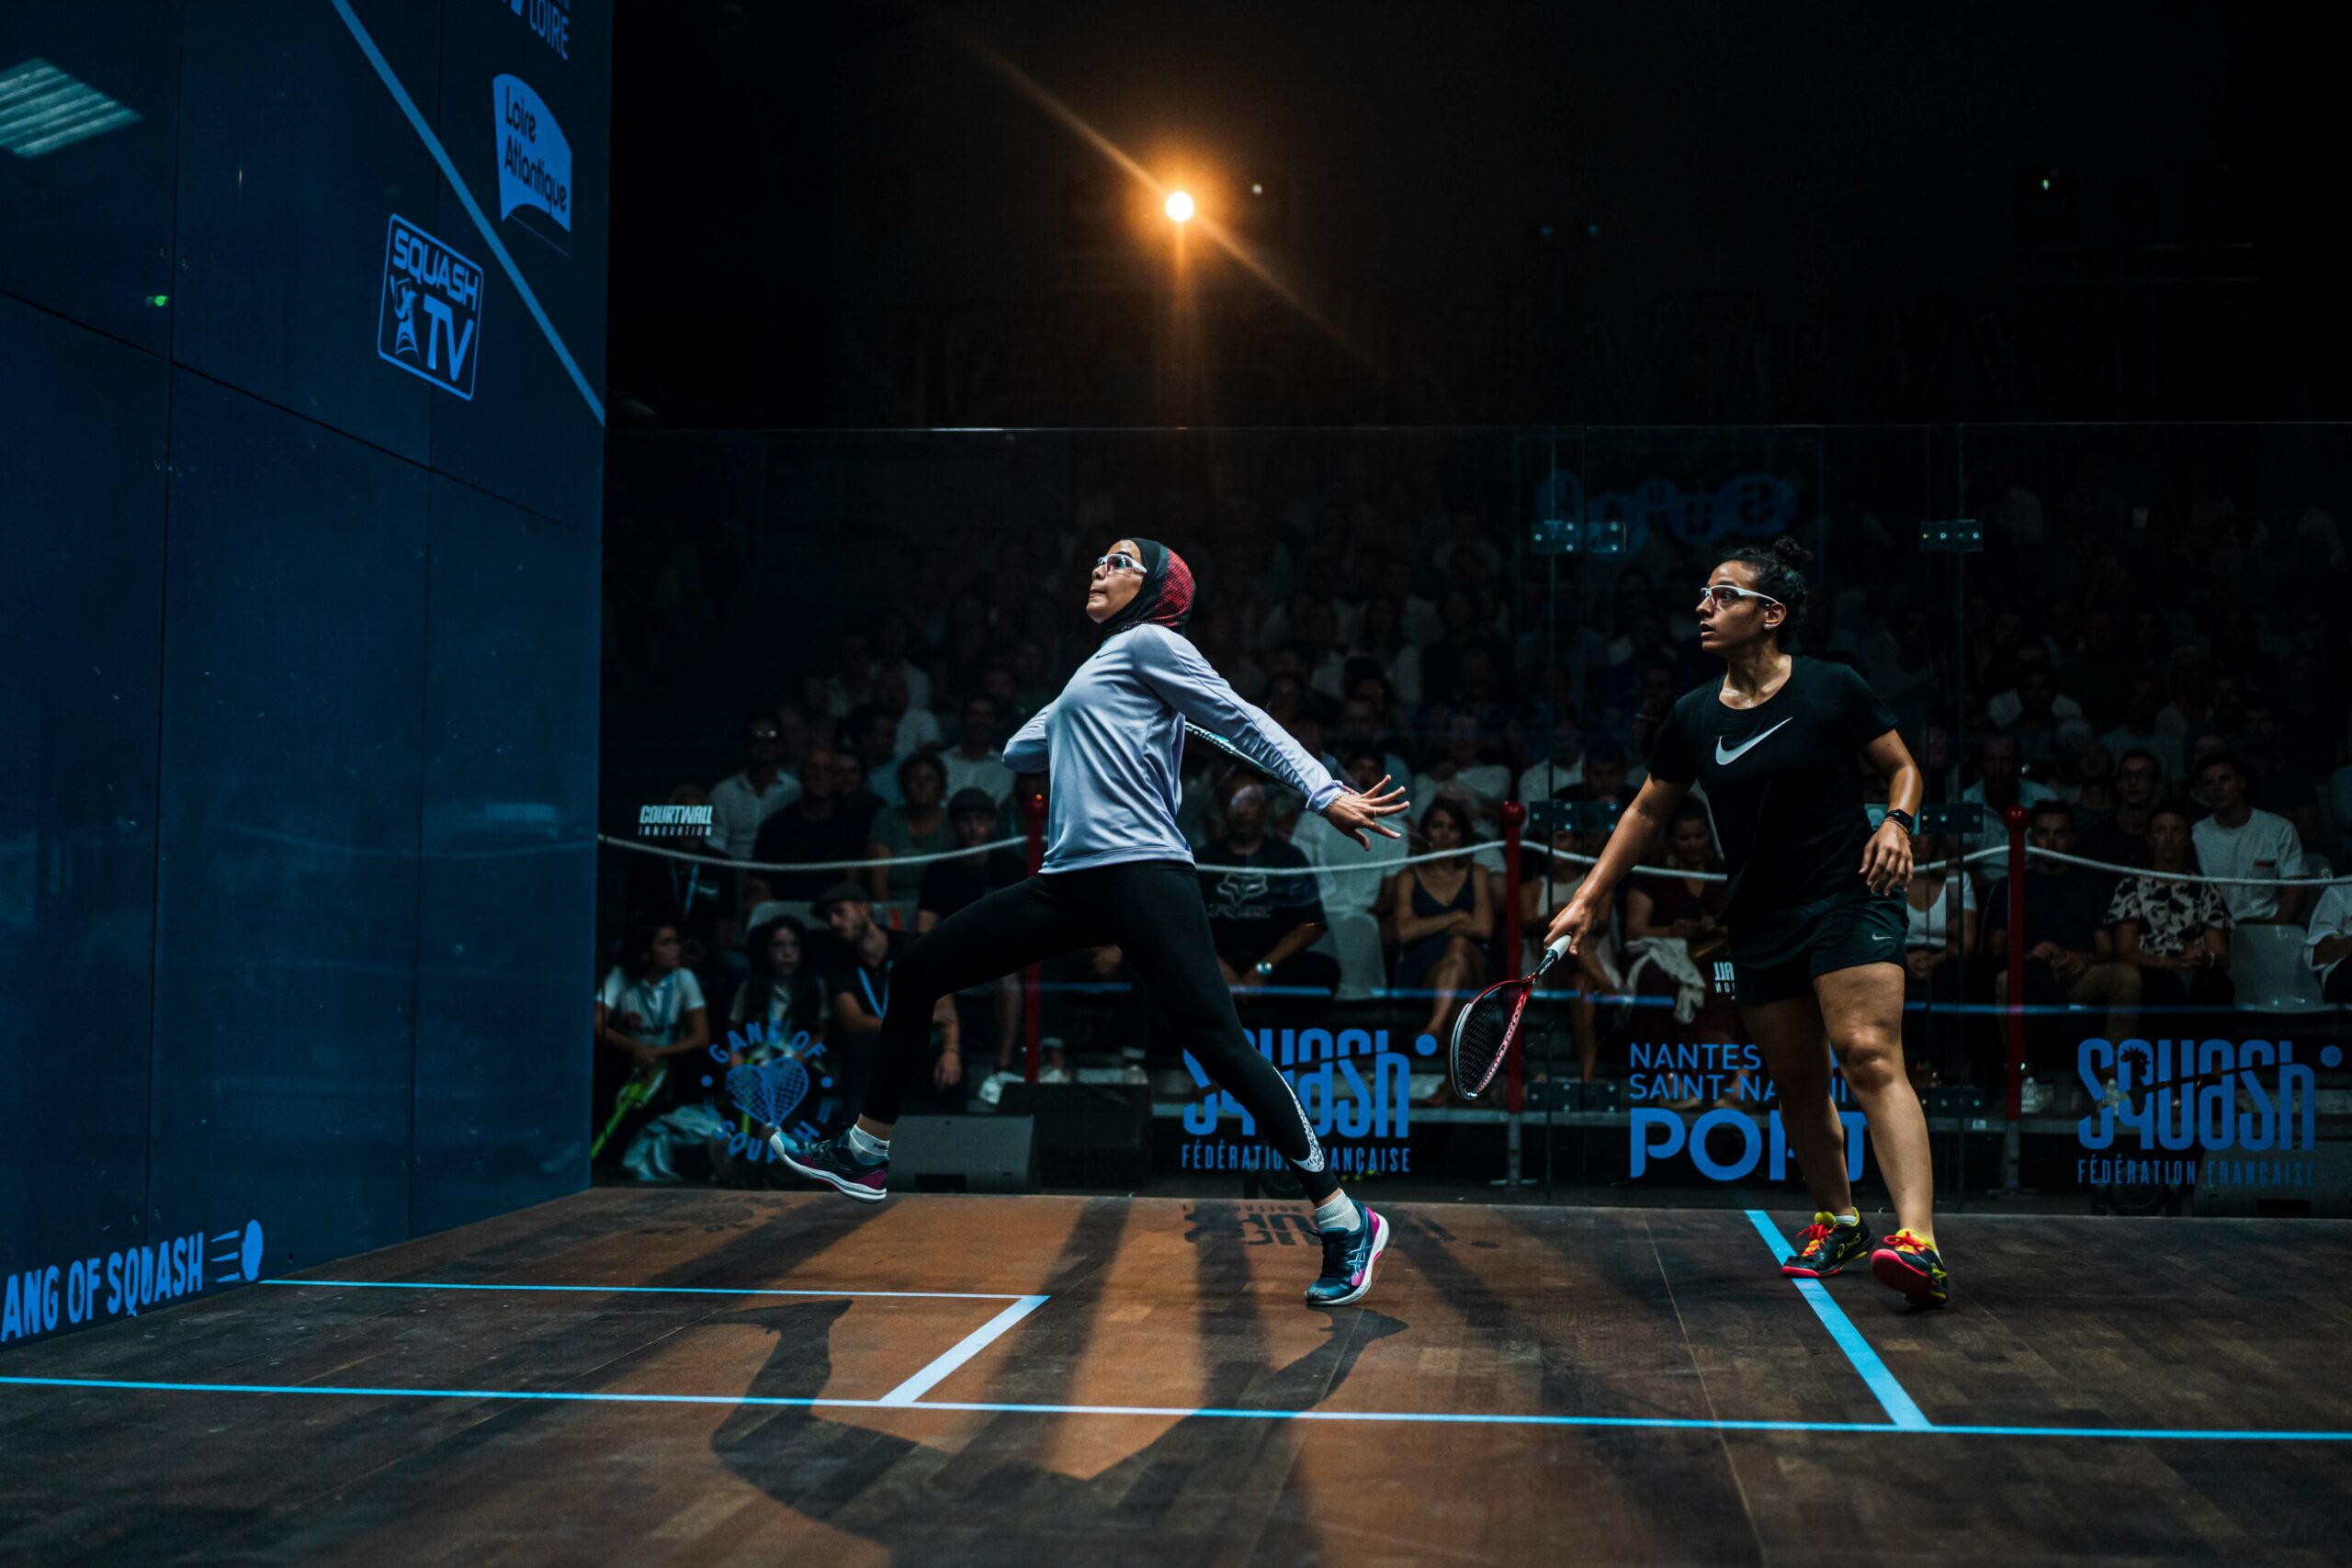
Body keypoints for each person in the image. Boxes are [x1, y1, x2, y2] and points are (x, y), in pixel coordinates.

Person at [776, 537, 1410, 1307]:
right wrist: (1079, 706)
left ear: (1156, 591)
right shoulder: (1106, 665)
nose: (1098, 569)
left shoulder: (1152, 644)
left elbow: (1242, 719)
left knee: (1219, 1046)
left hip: (1144, 875)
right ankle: (866, 1150)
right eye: (1100, 559)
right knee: (915, 971)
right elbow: (1017, 752)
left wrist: (1323, 791)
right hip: (1068, 885)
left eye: (1119, 562)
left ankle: (1345, 1218)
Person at [1544, 536, 1951, 1306]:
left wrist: (1898, 822)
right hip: (1761, 915)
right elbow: (1646, 810)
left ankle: (1918, 1241)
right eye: (1705, 594)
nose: (1704, 606)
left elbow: (1903, 766)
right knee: (1796, 1080)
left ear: (1772, 614)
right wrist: (1590, 895)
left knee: (1868, 1052)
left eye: (1723, 594)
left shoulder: (1832, 686)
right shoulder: (1693, 715)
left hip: (1850, 893)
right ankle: (1839, 1220)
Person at [1982, 801, 2142, 1089]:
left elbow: (2107, 950)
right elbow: (1993, 951)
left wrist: (2082, 959)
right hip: (2029, 975)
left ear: (2072, 838)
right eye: (2044, 833)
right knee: (2005, 981)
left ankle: (2112, 1080)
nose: (2051, 841)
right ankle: (2024, 1077)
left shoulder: (2090, 884)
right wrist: (2031, 955)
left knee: (2127, 977)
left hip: (2079, 975)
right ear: (2032, 839)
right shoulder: (2010, 885)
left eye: (2059, 833)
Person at [813, 881, 965, 1119]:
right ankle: (855, 1137)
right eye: (828, 918)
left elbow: (945, 1009)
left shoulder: (912, 946)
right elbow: (854, 1020)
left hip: (917, 1048)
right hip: (876, 1052)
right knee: (861, 1044)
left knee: (947, 1061)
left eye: (839, 912)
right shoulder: (838, 962)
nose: (834, 922)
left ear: (864, 908)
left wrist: (951, 1051)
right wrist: (914, 1021)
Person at [1197, 773, 1342, 998]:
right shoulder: (1204, 859)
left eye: (1250, 802)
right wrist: (1217, 968)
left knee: (1324, 972)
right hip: (1215, 962)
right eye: (1234, 802)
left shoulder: (1287, 858)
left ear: (1265, 808)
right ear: (1224, 808)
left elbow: (1312, 924)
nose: (1242, 810)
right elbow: (1182, 923)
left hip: (1272, 962)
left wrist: (1264, 968)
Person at [594, 917, 713, 1183]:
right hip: (630, 1057)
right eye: (666, 943)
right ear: (645, 953)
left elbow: (701, 1036)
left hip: (668, 1058)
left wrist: (658, 1053)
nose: (676, 949)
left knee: (698, 1061)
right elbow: (596, 1022)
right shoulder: (621, 976)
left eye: (676, 941)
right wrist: (636, 1049)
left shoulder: (683, 977)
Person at [2107, 804, 2234, 1018]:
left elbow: (2221, 956)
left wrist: (2206, 958)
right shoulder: (2131, 885)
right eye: (2160, 830)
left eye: (2176, 830)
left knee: (2216, 987)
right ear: (2149, 839)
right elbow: (2126, 951)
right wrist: (2171, 964)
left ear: (2187, 839)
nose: (2168, 838)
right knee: (2164, 986)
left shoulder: (2205, 888)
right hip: (2150, 970)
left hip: (2195, 972)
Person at [1386, 797, 1494, 1045]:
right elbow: (1404, 931)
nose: (1444, 834)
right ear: (1425, 832)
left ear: (1462, 836)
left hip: (1475, 961)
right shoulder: (1408, 877)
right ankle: (1448, 1057)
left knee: (1459, 946)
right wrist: (1456, 917)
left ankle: (1433, 1028)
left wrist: (1426, 925)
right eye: (1437, 826)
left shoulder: (1477, 873)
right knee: (1459, 982)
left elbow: (1483, 928)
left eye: (1452, 827)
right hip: (1424, 967)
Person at [2191, 752, 2308, 927]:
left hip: (2266, 924)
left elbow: (2295, 890)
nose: (2217, 787)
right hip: (2212, 928)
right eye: (2209, 783)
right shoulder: (2194, 835)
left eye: (2224, 779)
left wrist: (2272, 933)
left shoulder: (2280, 829)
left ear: (2242, 782)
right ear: (2203, 793)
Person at [708, 713, 801, 862]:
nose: (764, 745)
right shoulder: (723, 792)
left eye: (771, 738)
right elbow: (715, 843)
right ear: (746, 745)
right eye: (756, 738)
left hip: (780, 869)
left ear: (780, 745)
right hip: (734, 869)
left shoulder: (795, 791)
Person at [865, 754, 957, 903]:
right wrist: (888, 912)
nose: (921, 784)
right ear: (904, 785)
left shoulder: (953, 819)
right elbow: (878, 875)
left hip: (942, 907)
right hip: (894, 906)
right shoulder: (886, 818)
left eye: (929, 779)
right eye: (914, 779)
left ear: (940, 786)